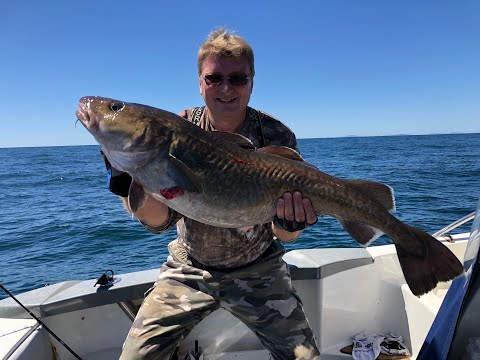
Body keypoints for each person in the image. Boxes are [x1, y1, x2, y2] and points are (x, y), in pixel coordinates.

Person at [111, 28, 320, 360]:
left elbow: (285, 236)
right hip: (188, 269)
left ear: (252, 82)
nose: (226, 88)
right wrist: (130, 180)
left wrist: (291, 221)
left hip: (259, 269)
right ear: (200, 83)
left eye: (237, 78)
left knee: (304, 357)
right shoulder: (178, 129)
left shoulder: (275, 135)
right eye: (214, 78)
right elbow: (160, 221)